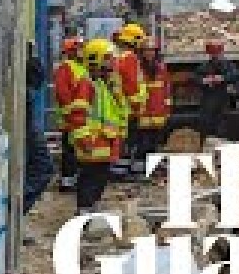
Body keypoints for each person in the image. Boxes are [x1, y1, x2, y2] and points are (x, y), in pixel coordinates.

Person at [64, 39, 130, 215]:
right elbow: (78, 114)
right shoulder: (87, 84)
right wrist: (84, 139)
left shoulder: (101, 84)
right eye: (108, 58)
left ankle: (90, 210)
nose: (112, 62)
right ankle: (84, 213)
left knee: (99, 177)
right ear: (96, 59)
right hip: (92, 143)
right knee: (90, 178)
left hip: (102, 143)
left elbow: (113, 113)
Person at [112, 23, 149, 176]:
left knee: (124, 140)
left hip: (120, 106)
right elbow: (131, 84)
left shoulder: (118, 56)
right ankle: (123, 171)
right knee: (129, 140)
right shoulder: (130, 58)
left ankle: (119, 170)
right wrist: (136, 106)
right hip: (129, 108)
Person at [131, 38, 172, 173]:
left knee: (155, 143)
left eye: (152, 51)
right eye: (146, 51)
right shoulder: (138, 69)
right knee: (142, 143)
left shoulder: (161, 68)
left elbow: (166, 90)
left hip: (158, 114)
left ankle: (152, 168)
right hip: (143, 113)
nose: (149, 53)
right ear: (141, 52)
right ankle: (139, 169)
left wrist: (167, 109)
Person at [53, 37, 87, 192]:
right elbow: (62, 93)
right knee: (70, 151)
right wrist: (71, 114)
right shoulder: (66, 67)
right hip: (70, 119)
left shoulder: (80, 67)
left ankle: (73, 179)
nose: (81, 51)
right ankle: (67, 182)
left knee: (76, 150)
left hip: (78, 118)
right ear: (70, 51)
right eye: (78, 48)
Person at [23, 42, 53, 215]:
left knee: (42, 169)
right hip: (24, 126)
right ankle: (14, 208)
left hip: (26, 124)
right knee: (42, 169)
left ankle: (15, 209)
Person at [194, 40, 239, 140]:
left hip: (221, 96)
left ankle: (217, 141)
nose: (215, 56)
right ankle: (210, 141)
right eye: (213, 53)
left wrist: (222, 78)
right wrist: (204, 80)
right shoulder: (205, 66)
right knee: (208, 121)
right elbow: (196, 78)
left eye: (217, 53)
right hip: (210, 96)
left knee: (220, 122)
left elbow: (234, 75)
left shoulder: (227, 65)